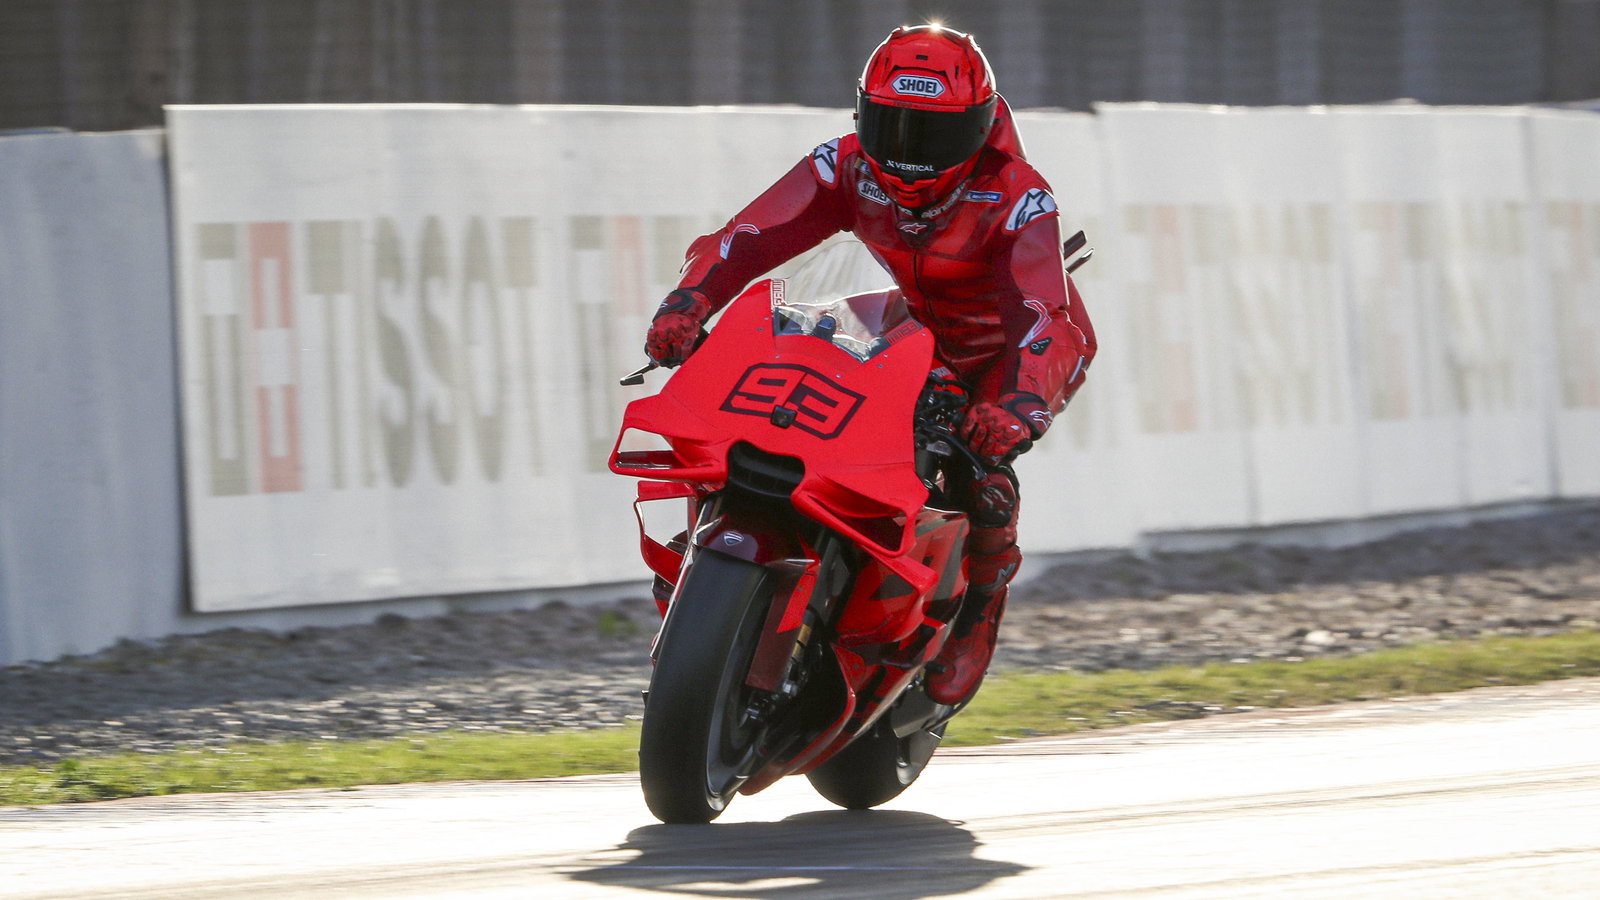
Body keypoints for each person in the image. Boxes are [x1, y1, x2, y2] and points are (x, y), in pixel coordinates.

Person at [643, 24, 1097, 706]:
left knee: (982, 475)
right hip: (904, 323)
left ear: (976, 132)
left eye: (934, 137)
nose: (909, 157)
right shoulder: (843, 165)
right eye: (891, 127)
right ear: (861, 117)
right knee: (768, 402)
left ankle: (977, 610)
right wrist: (688, 302)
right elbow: (744, 238)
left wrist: (1020, 403)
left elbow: (1043, 314)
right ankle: (710, 549)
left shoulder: (1019, 195)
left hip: (1007, 353)